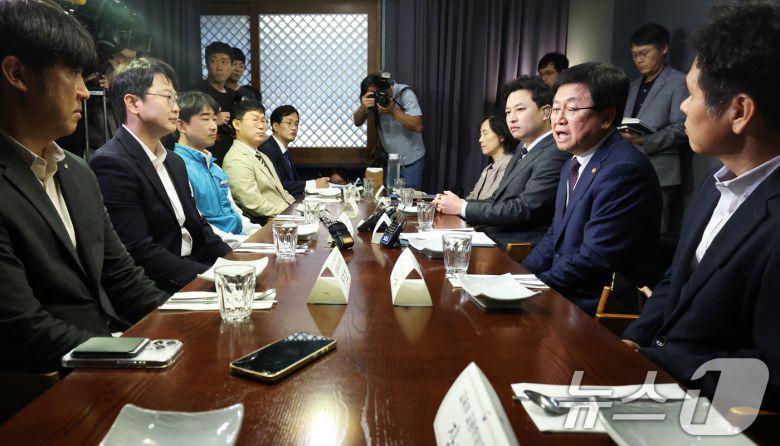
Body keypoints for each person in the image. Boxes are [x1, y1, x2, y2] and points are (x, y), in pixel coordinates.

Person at [623, 2, 780, 410]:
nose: (683, 107)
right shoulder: (714, 184)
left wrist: (659, 365)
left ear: (739, 111)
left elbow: (770, 374)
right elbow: (674, 281)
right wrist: (631, 342)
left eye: (692, 94)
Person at [0, 0, 167, 372]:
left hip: (109, 350)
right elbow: (21, 330)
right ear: (17, 73)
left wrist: (183, 327)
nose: (85, 92)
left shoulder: (76, 170)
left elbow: (123, 278)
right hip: (51, 380)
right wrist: (136, 351)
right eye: (73, 73)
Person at [522, 62, 662, 316]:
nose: (559, 119)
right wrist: (519, 274)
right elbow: (555, 235)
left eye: (571, 109)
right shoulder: (573, 162)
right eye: (555, 108)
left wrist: (530, 287)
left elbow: (595, 259)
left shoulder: (624, 170)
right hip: (564, 289)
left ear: (607, 117)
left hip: (595, 305)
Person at [90, 57, 231, 294]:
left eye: (175, 99)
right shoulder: (112, 163)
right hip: (159, 287)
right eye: (168, 98)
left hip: (195, 271)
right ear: (133, 103)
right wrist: (211, 277)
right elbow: (139, 252)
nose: (176, 108)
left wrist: (235, 262)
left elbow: (200, 228)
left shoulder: (174, 161)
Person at [434, 76, 569, 247]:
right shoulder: (522, 150)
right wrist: (455, 204)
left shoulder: (555, 152)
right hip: (494, 237)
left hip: (516, 247)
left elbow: (525, 209)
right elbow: (496, 200)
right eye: (508, 112)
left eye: (520, 109)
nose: (512, 118)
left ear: (546, 112)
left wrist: (462, 207)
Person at [622, 23, 688, 233]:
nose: (638, 60)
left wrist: (644, 140)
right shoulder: (633, 85)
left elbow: (682, 128)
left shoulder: (679, 81)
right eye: (634, 55)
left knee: (654, 232)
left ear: (664, 49)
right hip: (627, 167)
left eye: (644, 53)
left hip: (660, 171)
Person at [173, 91, 261, 246]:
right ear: (181, 125)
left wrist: (259, 234)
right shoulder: (177, 168)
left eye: (214, 119)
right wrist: (248, 242)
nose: (214, 126)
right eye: (205, 119)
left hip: (239, 241)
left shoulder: (215, 168)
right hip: (217, 249)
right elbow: (199, 226)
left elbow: (235, 213)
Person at [222, 100, 294, 222]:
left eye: (263, 121)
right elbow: (254, 204)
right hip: (269, 222)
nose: (261, 126)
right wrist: (291, 213)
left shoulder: (262, 155)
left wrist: (298, 208)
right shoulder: (235, 159)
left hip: (286, 215)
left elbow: (282, 192)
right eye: (255, 120)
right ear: (236, 124)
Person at [353, 73, 425, 190]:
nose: (379, 97)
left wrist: (393, 111)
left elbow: (418, 126)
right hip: (391, 161)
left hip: (411, 161)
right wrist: (363, 106)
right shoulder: (375, 100)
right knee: (390, 196)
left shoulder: (405, 94)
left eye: (380, 94)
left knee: (410, 198)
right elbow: (357, 122)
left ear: (387, 88)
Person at [258, 105, 329, 197]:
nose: (294, 128)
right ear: (275, 126)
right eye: (289, 123)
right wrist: (314, 184)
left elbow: (294, 181)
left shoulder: (283, 150)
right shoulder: (267, 149)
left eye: (296, 124)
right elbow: (278, 185)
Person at [189, 41, 236, 163]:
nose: (219, 67)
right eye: (213, 61)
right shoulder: (196, 93)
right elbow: (185, 125)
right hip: (204, 159)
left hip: (232, 158)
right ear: (206, 64)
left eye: (224, 62)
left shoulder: (233, 96)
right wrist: (214, 120)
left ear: (231, 65)